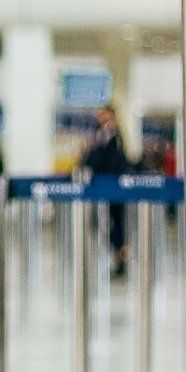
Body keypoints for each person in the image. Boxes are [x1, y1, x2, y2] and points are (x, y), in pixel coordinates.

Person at [82, 105, 135, 279]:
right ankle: (118, 256)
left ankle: (121, 257)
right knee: (110, 225)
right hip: (106, 185)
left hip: (114, 186)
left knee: (117, 224)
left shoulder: (113, 135)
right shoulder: (102, 134)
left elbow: (109, 160)